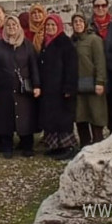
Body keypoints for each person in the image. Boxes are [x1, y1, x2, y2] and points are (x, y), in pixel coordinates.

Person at [0, 16, 40, 158]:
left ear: (19, 27)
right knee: (5, 118)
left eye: (14, 25)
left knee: (25, 117)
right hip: (3, 88)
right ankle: (7, 147)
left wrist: (36, 85)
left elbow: (34, 66)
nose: (11, 27)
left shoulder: (27, 45)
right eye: (8, 25)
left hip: (24, 88)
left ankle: (27, 146)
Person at [37, 15, 79, 160]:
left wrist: (69, 88)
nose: (50, 28)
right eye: (48, 25)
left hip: (61, 88)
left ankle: (68, 147)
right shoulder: (46, 42)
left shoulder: (65, 43)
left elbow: (71, 67)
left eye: (53, 25)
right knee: (51, 117)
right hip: (49, 88)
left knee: (63, 118)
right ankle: (55, 146)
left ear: (59, 26)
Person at [71, 15, 107, 147]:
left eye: (81, 21)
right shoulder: (73, 41)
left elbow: (100, 62)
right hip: (78, 83)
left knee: (95, 114)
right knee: (80, 115)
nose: (78, 24)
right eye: (75, 22)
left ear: (85, 23)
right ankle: (84, 145)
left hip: (92, 82)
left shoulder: (94, 40)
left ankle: (98, 144)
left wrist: (100, 81)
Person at [89, 0, 112, 132]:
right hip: (94, 70)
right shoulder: (88, 27)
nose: (100, 8)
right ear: (93, 8)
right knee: (96, 102)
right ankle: (98, 131)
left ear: (107, 7)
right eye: (97, 6)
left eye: (103, 5)